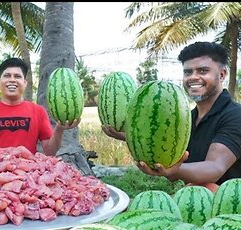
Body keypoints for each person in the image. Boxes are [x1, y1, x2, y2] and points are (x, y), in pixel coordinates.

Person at [102, 41, 241, 191]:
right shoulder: (187, 117)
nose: (193, 77)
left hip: (229, 207)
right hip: (193, 200)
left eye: (202, 71)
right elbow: (168, 150)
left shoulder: (235, 115)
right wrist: (129, 136)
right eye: (188, 72)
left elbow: (214, 167)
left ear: (222, 74)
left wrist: (174, 170)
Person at [0, 57, 80, 157]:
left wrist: (59, 129)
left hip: (27, 176)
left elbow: (50, 151)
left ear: (25, 83)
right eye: (7, 76)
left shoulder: (38, 111)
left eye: (17, 76)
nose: (12, 80)